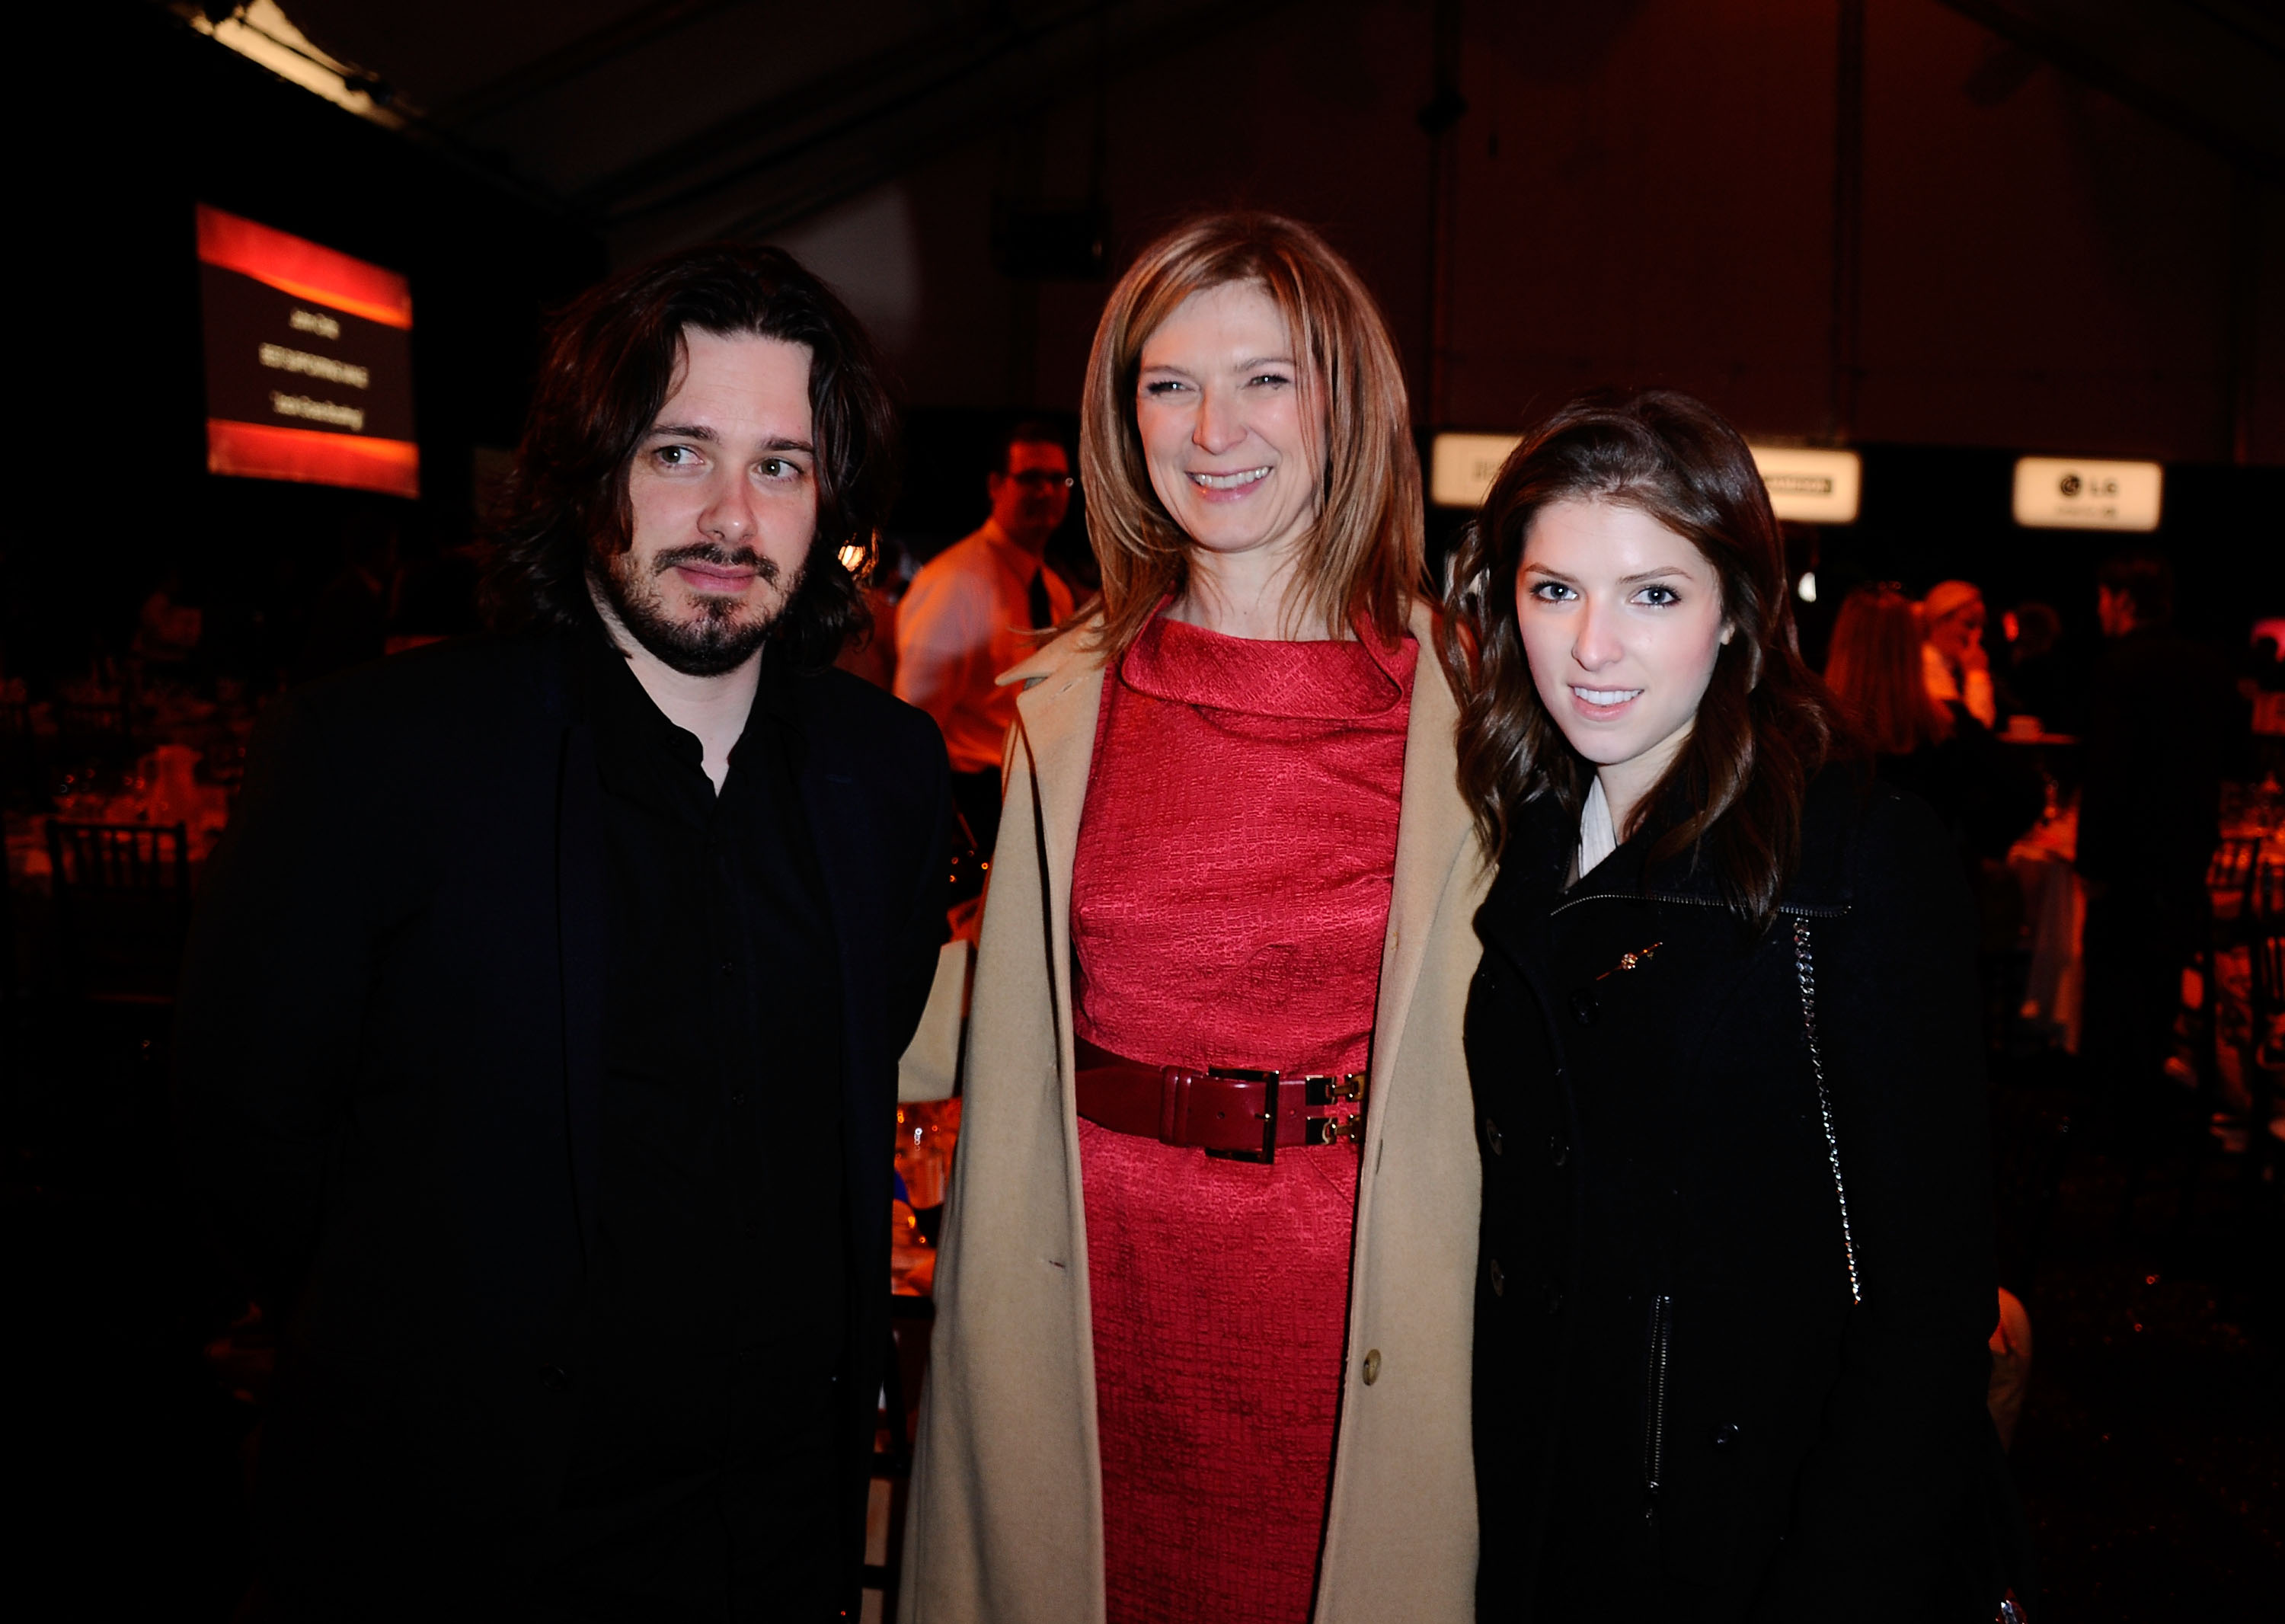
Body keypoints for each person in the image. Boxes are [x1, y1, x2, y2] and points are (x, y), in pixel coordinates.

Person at [174, 243, 952, 1620]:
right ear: (592, 469)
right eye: (677, 452)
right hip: (456, 1546)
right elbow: (246, 1148)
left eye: (779, 464)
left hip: (772, 1547)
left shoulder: (882, 774)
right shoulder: (377, 760)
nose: (730, 514)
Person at [900, 213, 1487, 1623]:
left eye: (1268, 377)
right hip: (1082, 1292)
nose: (1214, 426)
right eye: (1169, 383)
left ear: (1348, 400)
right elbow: (950, 1004)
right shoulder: (1057, 706)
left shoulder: (1472, 723)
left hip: (1364, 1307)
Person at [1443, 391, 2019, 1619]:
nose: (1593, 646)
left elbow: (1924, 1311)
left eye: (1654, 593)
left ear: (1735, 618)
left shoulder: (1856, 859)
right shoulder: (1520, 840)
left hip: (1756, 1545)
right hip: (1551, 1513)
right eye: (1555, 592)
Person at [2076, 548, 2239, 1102]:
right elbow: (2228, 760)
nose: (2099, 610)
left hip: (2127, 859)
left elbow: (2108, 774)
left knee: (2114, 986)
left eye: (2103, 597)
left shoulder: (2118, 668)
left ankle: (2111, 1110)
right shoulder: (2210, 666)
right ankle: (2148, 1101)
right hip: (2185, 850)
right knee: (2161, 984)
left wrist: (2091, 861)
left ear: (2124, 600)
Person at [894, 419, 1079, 856]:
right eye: (1031, 478)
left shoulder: (1052, 589)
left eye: (1058, 479)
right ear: (997, 486)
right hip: (968, 803)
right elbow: (913, 725)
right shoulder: (956, 582)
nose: (1047, 492)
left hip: (1026, 797)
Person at [1825, 582, 2044, 883]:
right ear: (1910, 645)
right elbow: (2026, 790)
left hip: (1840, 894)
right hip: (1928, 890)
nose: (1975, 636)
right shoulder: (1944, 723)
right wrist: (1977, 844)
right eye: (1969, 624)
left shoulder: (1813, 732)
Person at [1921, 578, 1998, 728]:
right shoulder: (1924, 668)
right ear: (1940, 621)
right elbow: (1975, 731)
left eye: (1980, 627)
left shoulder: (1951, 669)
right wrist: (1976, 675)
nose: (1976, 635)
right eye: (1968, 624)